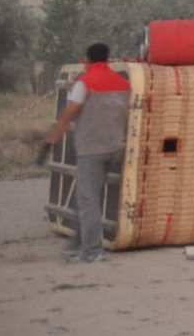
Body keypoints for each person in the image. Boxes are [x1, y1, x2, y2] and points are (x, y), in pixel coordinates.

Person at [38, 43, 132, 263]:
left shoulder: (84, 83)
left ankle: (92, 250)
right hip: (115, 147)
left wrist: (50, 141)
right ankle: (78, 242)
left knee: (87, 200)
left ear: (88, 60)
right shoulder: (122, 82)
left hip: (92, 149)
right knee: (85, 197)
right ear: (108, 59)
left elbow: (68, 115)